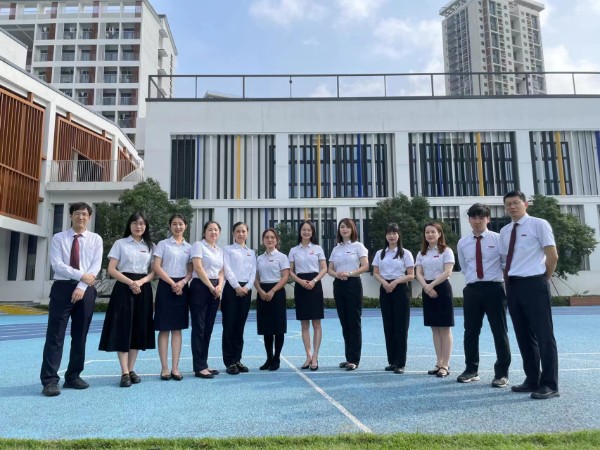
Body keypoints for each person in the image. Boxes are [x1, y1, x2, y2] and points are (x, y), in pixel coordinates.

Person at [500, 190, 559, 400]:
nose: (512, 207)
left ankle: (550, 384)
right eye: (508, 204)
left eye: (516, 203)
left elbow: (552, 255)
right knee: (523, 335)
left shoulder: (539, 224)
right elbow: (505, 260)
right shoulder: (505, 231)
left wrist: (544, 278)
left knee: (544, 335)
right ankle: (532, 379)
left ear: (525, 204)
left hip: (535, 282)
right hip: (513, 285)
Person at [41, 202, 103, 397]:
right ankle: (50, 380)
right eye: (77, 213)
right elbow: (57, 265)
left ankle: (73, 376)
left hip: (86, 290)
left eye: (84, 214)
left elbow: (96, 266)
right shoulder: (59, 238)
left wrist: (81, 286)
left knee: (80, 335)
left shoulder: (96, 239)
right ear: (71, 216)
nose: (81, 217)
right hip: (62, 289)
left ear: (89, 218)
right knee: (55, 335)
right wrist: (81, 276)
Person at [456, 204, 511, 388]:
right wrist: (474, 280)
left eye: (481, 217)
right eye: (474, 217)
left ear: (488, 219)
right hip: (472, 289)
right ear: (469, 220)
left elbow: (505, 263)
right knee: (470, 331)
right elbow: (464, 267)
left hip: (494, 288)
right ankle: (471, 369)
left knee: (499, 331)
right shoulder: (463, 243)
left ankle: (501, 373)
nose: (477, 221)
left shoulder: (498, 239)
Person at [98, 212, 156, 388]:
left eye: (142, 223)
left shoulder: (151, 246)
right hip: (124, 288)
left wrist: (141, 282)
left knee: (138, 328)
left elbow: (154, 271)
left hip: (143, 288)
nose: (138, 226)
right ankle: (124, 372)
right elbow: (112, 269)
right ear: (129, 225)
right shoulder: (120, 244)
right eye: (135, 223)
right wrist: (131, 282)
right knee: (123, 328)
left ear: (146, 226)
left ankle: (131, 369)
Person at [153, 213, 192, 381]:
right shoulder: (162, 244)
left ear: (185, 226)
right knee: (164, 329)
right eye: (174, 224)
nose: (178, 226)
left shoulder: (189, 247)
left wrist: (182, 283)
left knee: (177, 329)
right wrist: (172, 283)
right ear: (170, 226)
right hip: (165, 287)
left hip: (182, 288)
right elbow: (157, 267)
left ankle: (175, 368)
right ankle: (164, 368)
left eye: (181, 223)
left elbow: (191, 270)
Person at [372, 223, 415, 374]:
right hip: (385, 289)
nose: (391, 236)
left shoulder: (405, 253)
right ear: (385, 236)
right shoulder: (380, 253)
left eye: (394, 233)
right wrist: (384, 283)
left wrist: (396, 282)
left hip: (400, 289)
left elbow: (411, 275)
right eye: (389, 233)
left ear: (398, 235)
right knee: (388, 326)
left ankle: (400, 362)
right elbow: (375, 272)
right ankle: (392, 361)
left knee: (401, 327)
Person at [328, 218, 369, 371]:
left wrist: (350, 273)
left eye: (347, 227)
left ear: (352, 229)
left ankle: (354, 359)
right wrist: (337, 274)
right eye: (342, 227)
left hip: (353, 284)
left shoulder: (358, 246)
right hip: (339, 285)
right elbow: (329, 269)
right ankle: (348, 357)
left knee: (354, 322)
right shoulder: (335, 249)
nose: (344, 230)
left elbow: (365, 266)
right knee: (344, 322)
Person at [415, 221, 455, 379]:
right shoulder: (421, 253)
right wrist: (426, 286)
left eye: (433, 232)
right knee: (435, 329)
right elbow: (418, 273)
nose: (430, 235)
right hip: (427, 289)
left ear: (439, 234)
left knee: (444, 328)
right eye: (427, 232)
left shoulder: (446, 251)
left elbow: (448, 271)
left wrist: (431, 285)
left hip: (442, 289)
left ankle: (446, 364)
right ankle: (439, 363)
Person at [288, 220, 327, 371]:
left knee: (316, 323)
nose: (306, 232)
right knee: (304, 324)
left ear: (312, 233)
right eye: (304, 229)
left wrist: (314, 281)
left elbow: (324, 269)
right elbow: (290, 271)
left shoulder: (317, 248)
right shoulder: (293, 250)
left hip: (315, 285)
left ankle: (315, 356)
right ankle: (308, 355)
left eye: (309, 230)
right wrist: (300, 281)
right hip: (301, 286)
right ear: (300, 232)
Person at [189, 221, 224, 379]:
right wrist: (210, 286)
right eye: (210, 229)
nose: (213, 232)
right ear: (204, 232)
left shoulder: (219, 250)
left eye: (216, 230)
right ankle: (199, 367)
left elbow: (221, 271)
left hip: (215, 289)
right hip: (201, 287)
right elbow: (198, 267)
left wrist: (219, 286)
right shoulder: (198, 246)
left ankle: (204, 362)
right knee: (199, 327)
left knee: (208, 328)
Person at [222, 222, 256, 375]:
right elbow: (227, 269)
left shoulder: (251, 252)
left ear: (247, 233)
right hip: (231, 289)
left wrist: (247, 287)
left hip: (246, 290)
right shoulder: (227, 250)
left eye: (243, 231)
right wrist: (236, 286)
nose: (241, 234)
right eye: (238, 231)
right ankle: (229, 362)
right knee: (229, 326)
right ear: (233, 233)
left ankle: (237, 359)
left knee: (240, 327)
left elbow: (253, 272)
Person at [255, 228, 290, 371]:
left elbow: (285, 277)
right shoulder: (259, 258)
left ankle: (277, 358)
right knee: (267, 328)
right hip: (263, 292)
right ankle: (269, 358)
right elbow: (255, 277)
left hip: (277, 292)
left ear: (276, 240)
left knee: (278, 327)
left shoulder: (282, 257)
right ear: (263, 240)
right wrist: (260, 291)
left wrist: (273, 291)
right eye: (267, 237)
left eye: (272, 237)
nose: (270, 240)